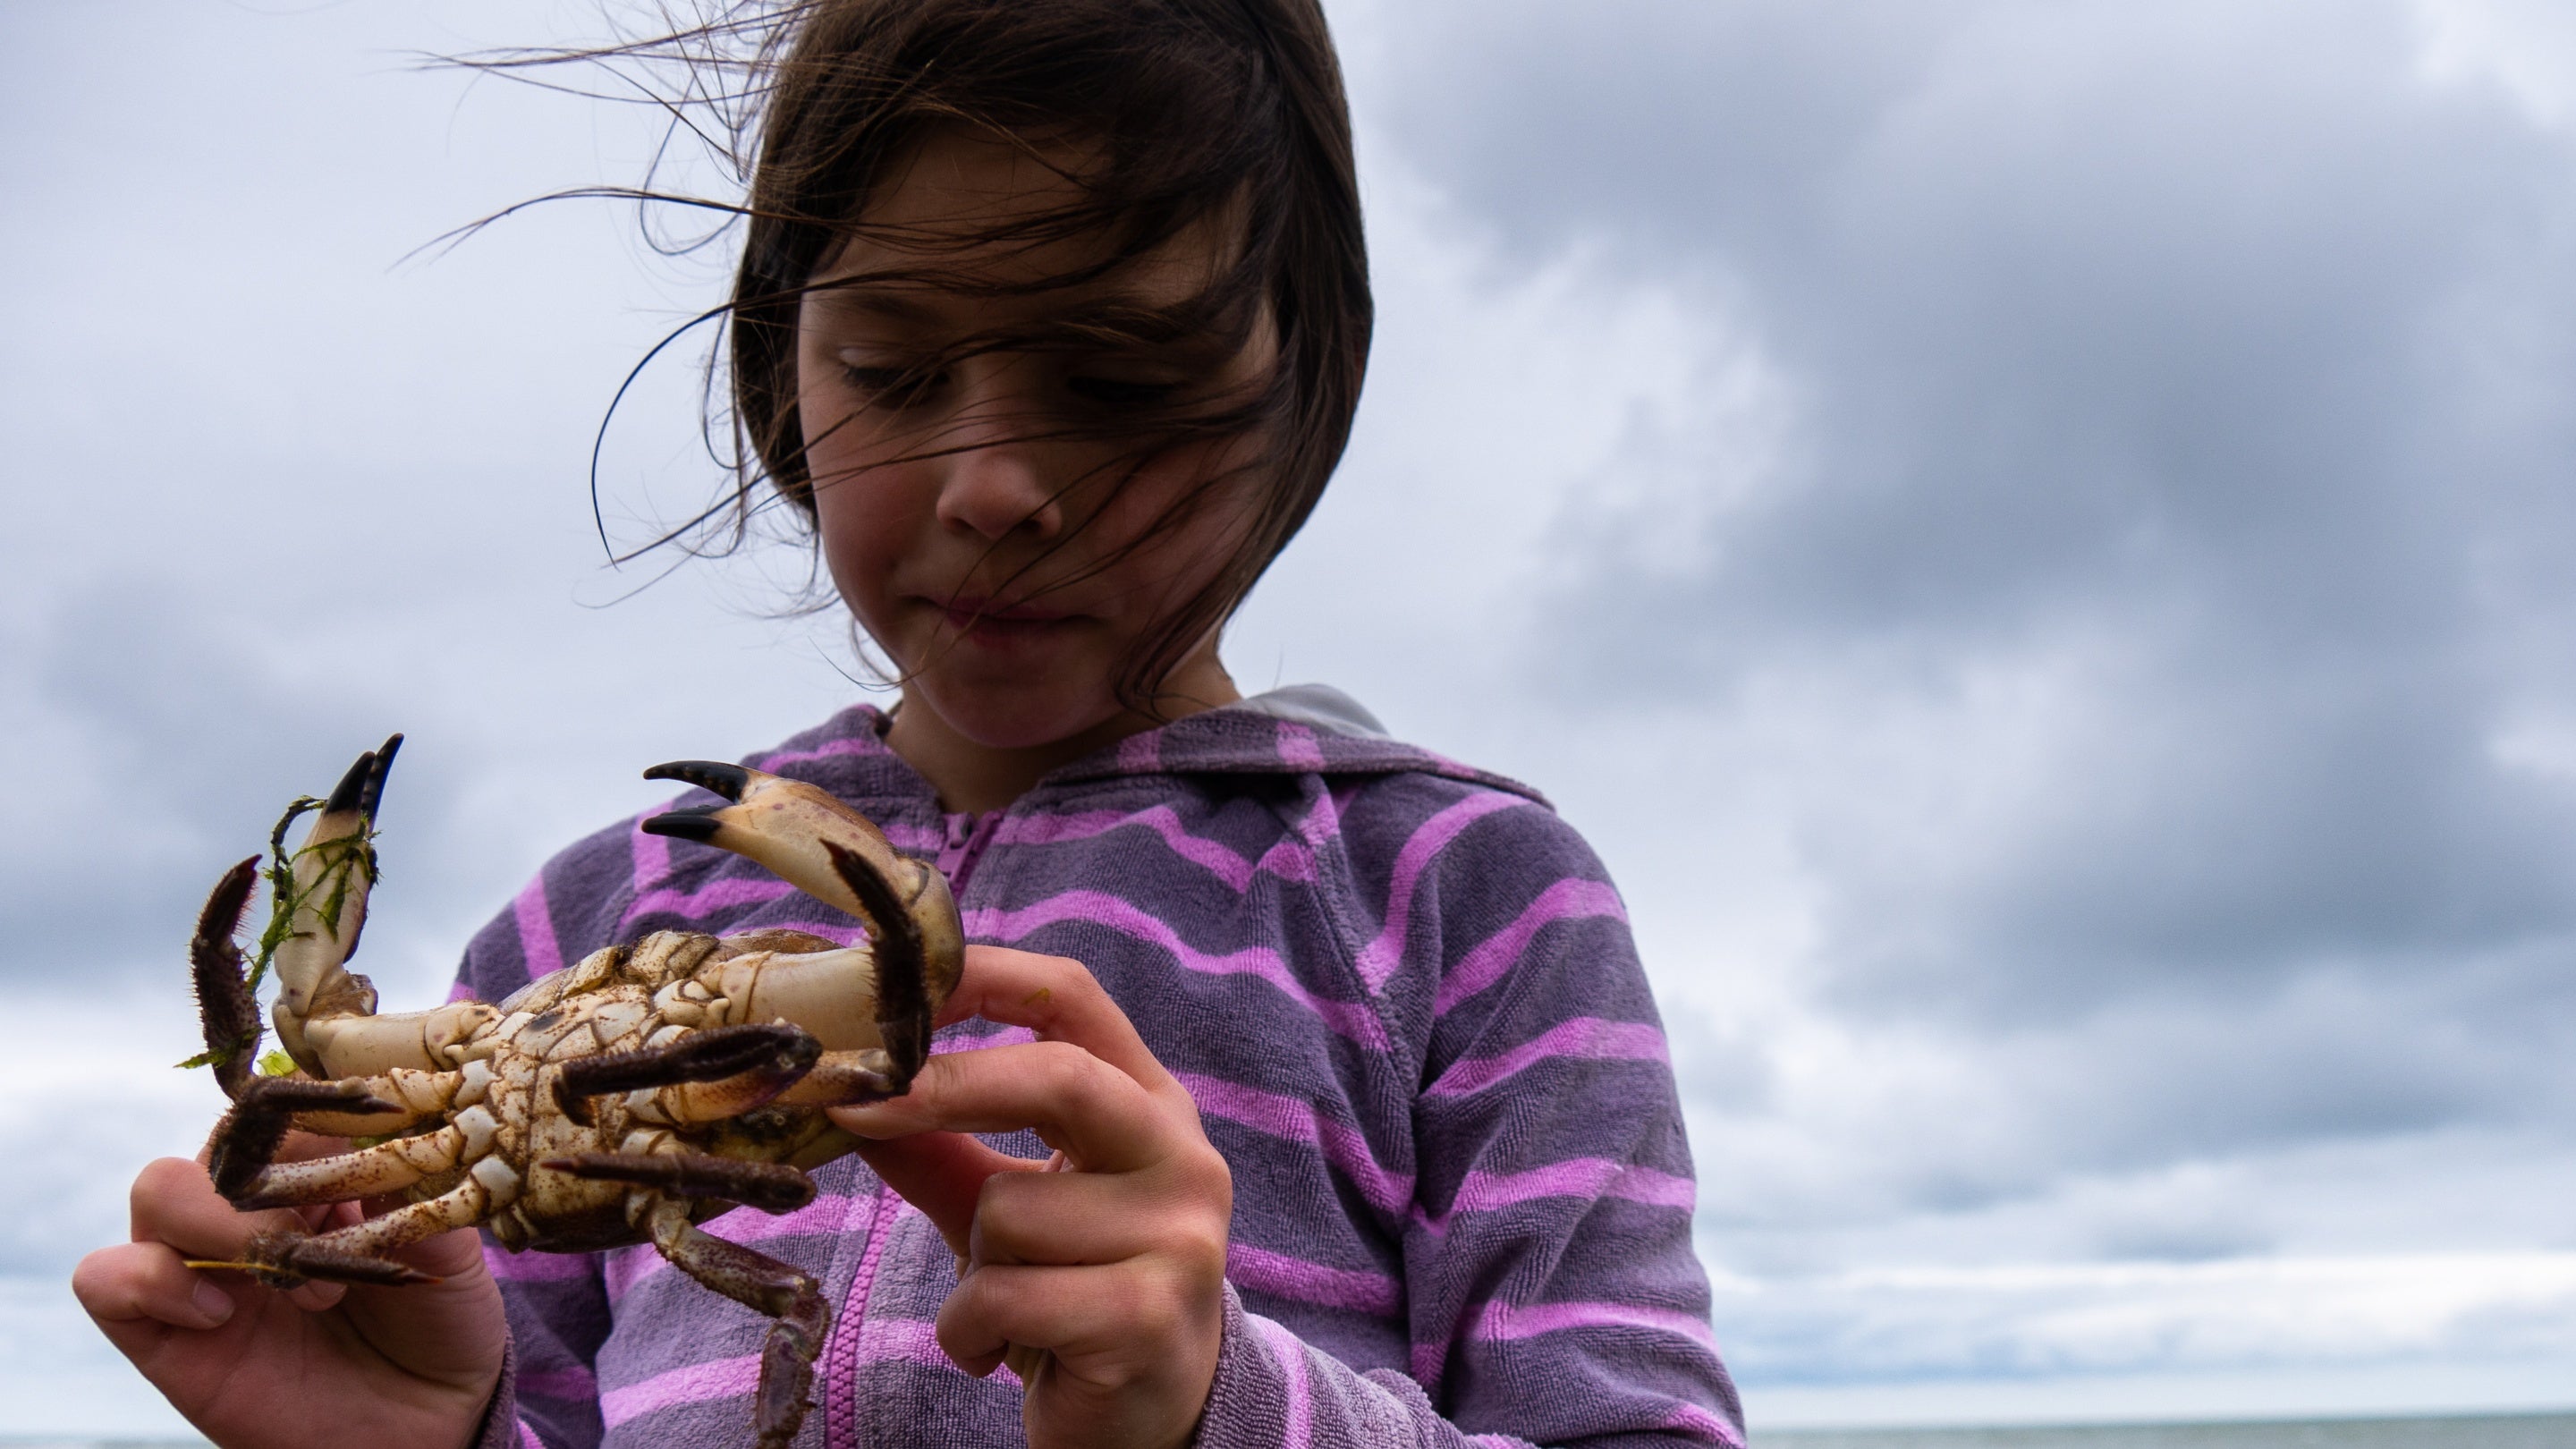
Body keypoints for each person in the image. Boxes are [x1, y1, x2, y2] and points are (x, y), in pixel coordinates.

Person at [73, 1, 1745, 1445]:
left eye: (1118, 383)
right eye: (891, 365)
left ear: (1304, 378)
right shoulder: (581, 925)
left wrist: (1221, 1405)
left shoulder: (1462, 898)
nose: (994, 486)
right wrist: (440, 1429)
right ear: (780, 365)